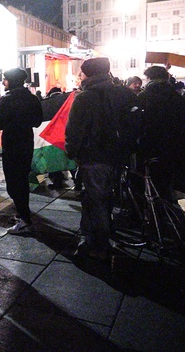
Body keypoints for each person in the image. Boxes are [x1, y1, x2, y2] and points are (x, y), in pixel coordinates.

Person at [65, 57, 138, 262]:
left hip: (94, 157)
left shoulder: (85, 98)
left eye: (81, 73)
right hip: (119, 156)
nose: (80, 76)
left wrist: (71, 152)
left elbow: (74, 131)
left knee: (96, 200)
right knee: (104, 198)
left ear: (88, 74)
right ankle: (93, 238)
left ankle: (99, 245)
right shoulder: (124, 93)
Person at [0, 68, 43, 234]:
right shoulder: (32, 98)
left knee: (14, 183)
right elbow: (37, 121)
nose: (3, 82)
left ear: (12, 81)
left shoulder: (8, 100)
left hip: (12, 144)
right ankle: (22, 213)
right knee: (22, 179)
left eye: (5, 79)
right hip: (26, 143)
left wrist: (0, 111)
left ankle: (24, 219)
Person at [136, 65, 185, 202]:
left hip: (149, 147)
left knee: (150, 183)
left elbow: (137, 123)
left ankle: (153, 210)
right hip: (175, 147)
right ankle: (169, 207)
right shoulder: (178, 98)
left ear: (149, 78)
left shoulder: (144, 97)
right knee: (168, 183)